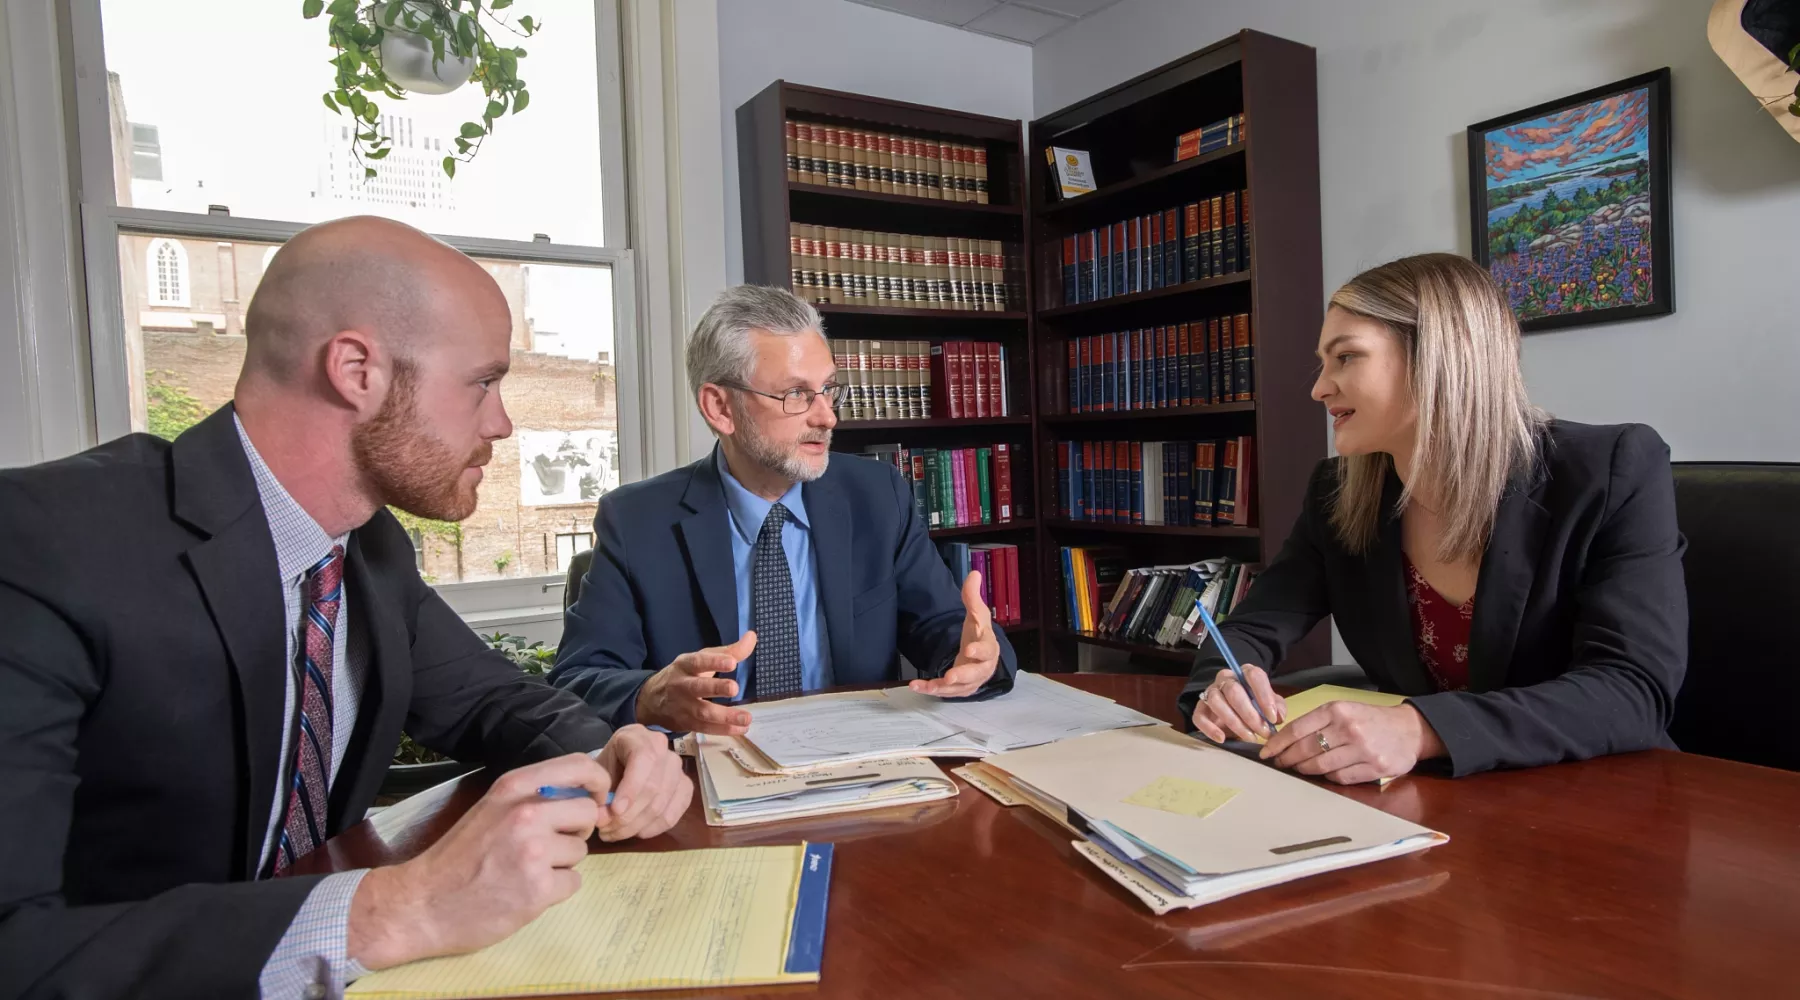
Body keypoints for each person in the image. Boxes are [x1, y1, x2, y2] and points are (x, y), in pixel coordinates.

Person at [0, 216, 692, 999]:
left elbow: (495, 701)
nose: (501, 422)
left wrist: (618, 748)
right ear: (356, 369)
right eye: (483, 382)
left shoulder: (368, 549)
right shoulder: (41, 542)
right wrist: (395, 908)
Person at [1183, 253, 1686, 782]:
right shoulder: (1336, 494)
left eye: (1346, 357)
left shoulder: (1614, 469)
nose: (1319, 388)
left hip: (1596, 798)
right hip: (1435, 804)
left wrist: (1420, 729)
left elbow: (1634, 689)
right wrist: (1223, 685)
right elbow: (1254, 627)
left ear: (1441, 356)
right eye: (1323, 362)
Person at [551, 285, 1016, 734]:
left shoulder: (877, 495)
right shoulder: (637, 521)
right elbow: (579, 683)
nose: (827, 417)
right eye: (796, 394)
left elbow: (941, 625)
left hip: (863, 768)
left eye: (829, 390)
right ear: (720, 407)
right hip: (712, 776)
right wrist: (649, 695)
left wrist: (970, 656)